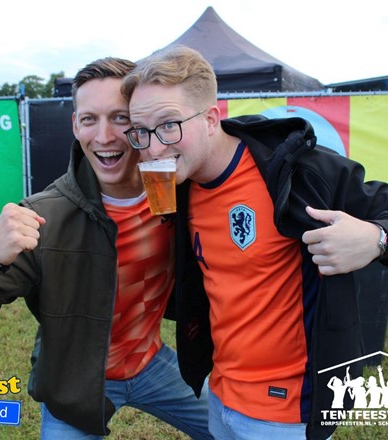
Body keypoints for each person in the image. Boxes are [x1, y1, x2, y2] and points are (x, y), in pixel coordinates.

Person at [120, 45, 388, 440]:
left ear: (210, 119)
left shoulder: (297, 172)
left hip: (288, 416)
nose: (153, 148)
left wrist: (377, 238)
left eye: (169, 125)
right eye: (141, 132)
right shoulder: (181, 187)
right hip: (218, 397)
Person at [0, 57, 213, 439]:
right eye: (90, 119)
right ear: (75, 125)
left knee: (232, 428)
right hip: (75, 381)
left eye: (120, 118)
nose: (104, 136)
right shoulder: (44, 217)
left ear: (141, 124)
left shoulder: (174, 191)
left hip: (151, 363)